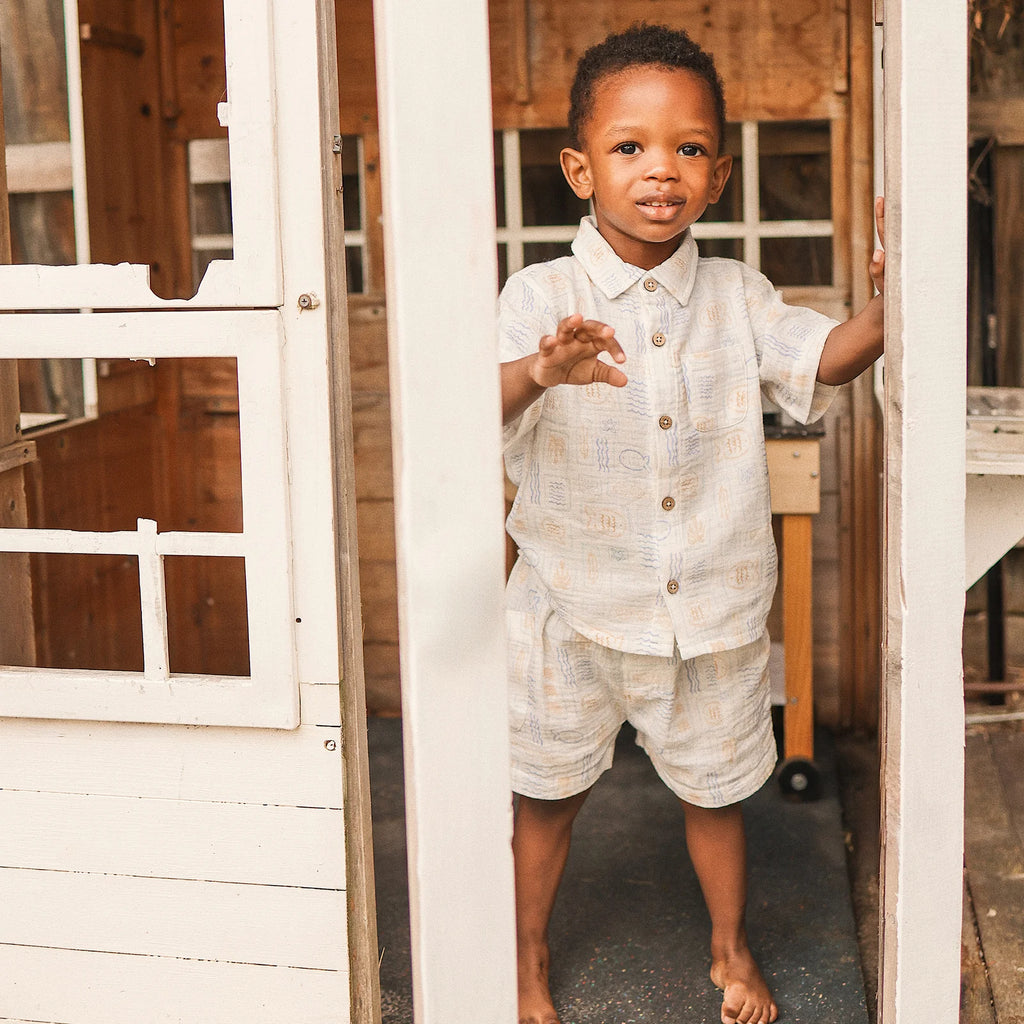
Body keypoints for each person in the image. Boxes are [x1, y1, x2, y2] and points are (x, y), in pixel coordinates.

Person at [498, 22, 885, 1024]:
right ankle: (524, 957)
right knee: (545, 796)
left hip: (706, 606)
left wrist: (897, 299)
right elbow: (465, 407)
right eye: (629, 147)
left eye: (688, 148)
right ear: (580, 168)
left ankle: (729, 948)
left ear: (717, 175)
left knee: (716, 793)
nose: (659, 169)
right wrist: (542, 369)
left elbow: (828, 356)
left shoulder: (737, 295)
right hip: (569, 608)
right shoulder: (541, 294)